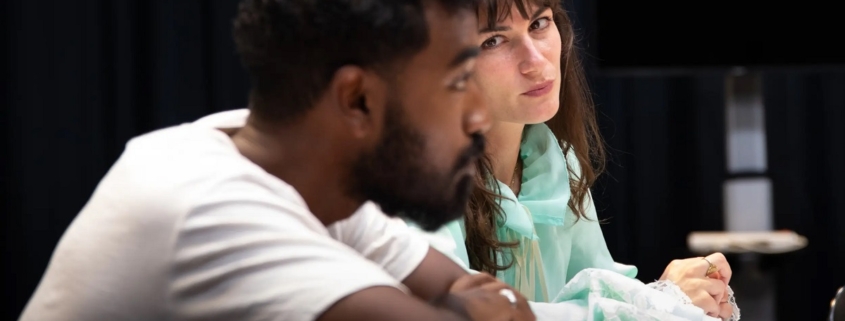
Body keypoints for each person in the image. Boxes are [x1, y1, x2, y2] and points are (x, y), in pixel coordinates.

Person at [18, 1, 536, 321]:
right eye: (457, 82)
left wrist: (456, 308)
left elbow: (481, 298)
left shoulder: (302, 174)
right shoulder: (207, 211)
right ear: (356, 100)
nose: (476, 115)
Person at [410, 0, 740, 320]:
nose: (536, 61)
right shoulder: (417, 176)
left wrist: (674, 294)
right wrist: (657, 303)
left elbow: (604, 290)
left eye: (539, 24)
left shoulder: (558, 163)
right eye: (493, 40)